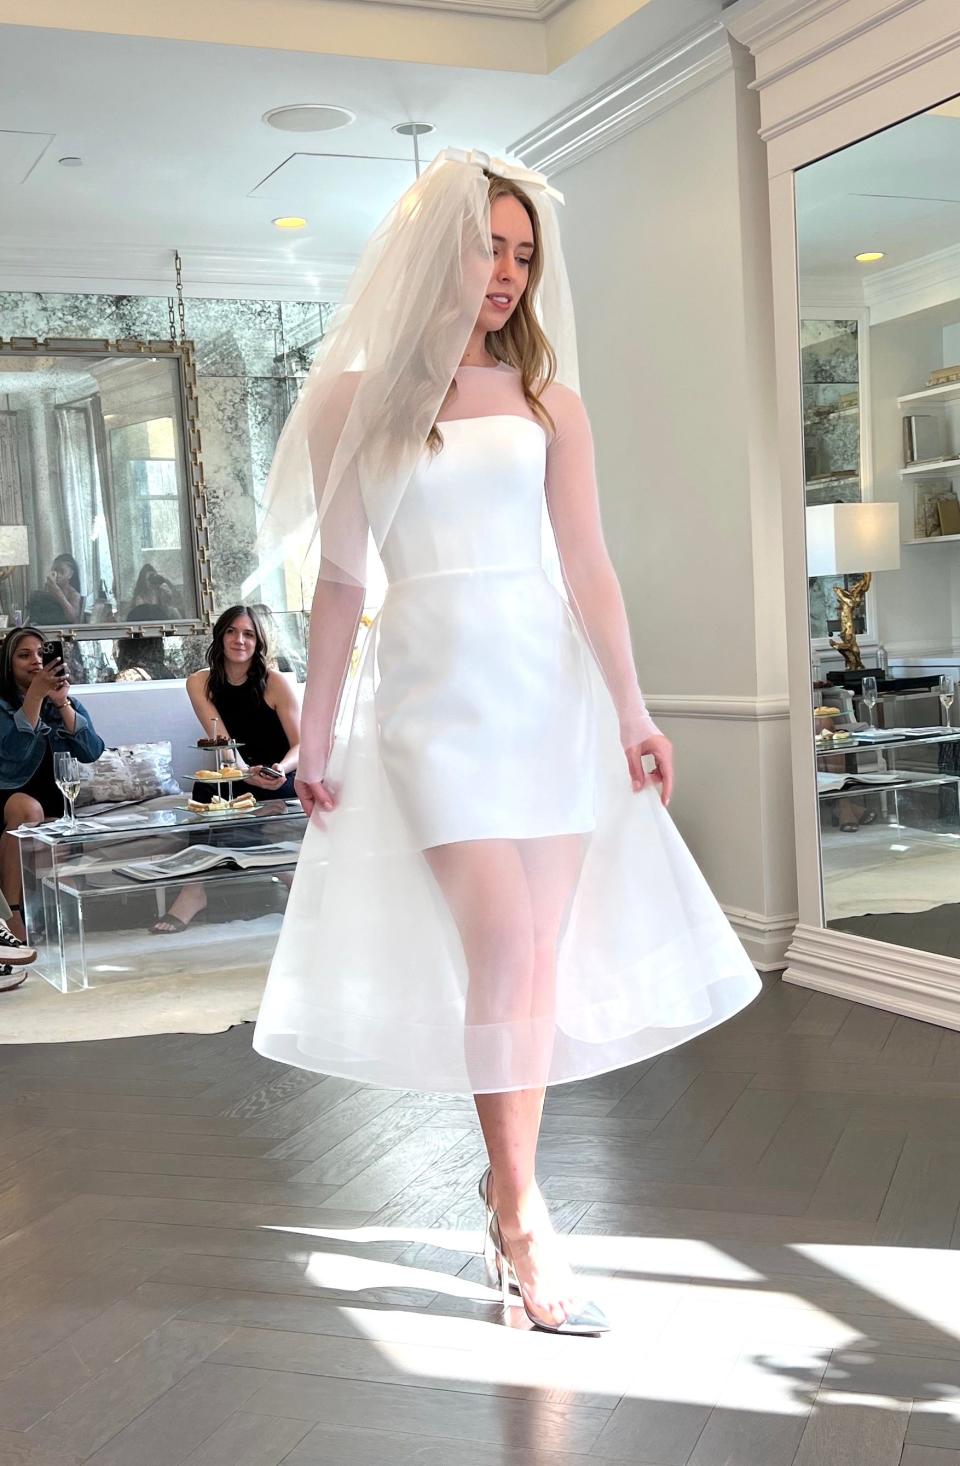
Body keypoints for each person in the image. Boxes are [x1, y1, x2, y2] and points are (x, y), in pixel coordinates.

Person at [252, 150, 762, 1335]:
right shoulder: (352, 400)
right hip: (432, 699)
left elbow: (587, 562)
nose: (509, 275)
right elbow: (338, 580)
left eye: (525, 256)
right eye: (492, 247)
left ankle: (506, 1187)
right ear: (439, 247)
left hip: (550, 699)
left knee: (537, 958)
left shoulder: (548, 403)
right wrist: (315, 728)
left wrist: (633, 707)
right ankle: (527, 1213)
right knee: (504, 941)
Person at [150, 604, 300, 934]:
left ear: (259, 642)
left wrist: (278, 769)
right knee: (212, 791)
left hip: (280, 775)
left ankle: (196, 890)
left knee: (232, 795)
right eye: (232, 631)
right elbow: (222, 742)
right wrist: (245, 771)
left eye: (248, 634)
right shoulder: (199, 682)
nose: (239, 640)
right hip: (237, 770)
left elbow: (301, 746)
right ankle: (287, 877)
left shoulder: (275, 682)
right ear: (220, 636)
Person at [0, 626, 105, 943]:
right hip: (8, 794)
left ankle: (51, 918)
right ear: (7, 663)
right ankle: (12, 915)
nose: (34, 660)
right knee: (29, 811)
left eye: (40, 653)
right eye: (23, 655)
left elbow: (91, 752)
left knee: (54, 822)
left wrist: (61, 703)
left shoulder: (61, 700)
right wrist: (34, 695)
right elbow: (13, 754)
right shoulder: (2, 704)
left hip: (54, 796)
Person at [44, 554, 83, 622]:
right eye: (55, 571)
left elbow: (73, 619)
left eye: (62, 572)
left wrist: (59, 594)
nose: (58, 575)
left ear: (70, 574)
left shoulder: (74, 594)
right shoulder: (48, 589)